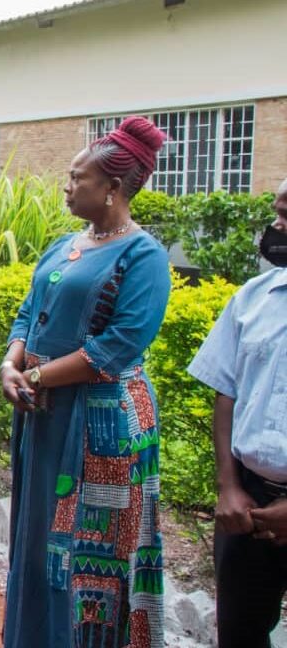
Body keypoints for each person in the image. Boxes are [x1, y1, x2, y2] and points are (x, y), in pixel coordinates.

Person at [0, 116, 170, 647]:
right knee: (36, 539)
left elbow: (116, 348)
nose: (67, 187)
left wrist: (37, 374)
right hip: (44, 413)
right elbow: (28, 314)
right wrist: (11, 364)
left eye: (78, 178)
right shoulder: (61, 245)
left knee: (88, 552)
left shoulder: (144, 257)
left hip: (101, 427)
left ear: (114, 188)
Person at [187, 177, 287, 648]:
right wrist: (228, 485)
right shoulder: (253, 298)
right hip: (246, 505)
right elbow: (226, 391)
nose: (275, 227)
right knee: (241, 633)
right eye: (277, 213)